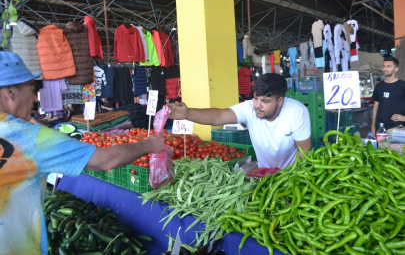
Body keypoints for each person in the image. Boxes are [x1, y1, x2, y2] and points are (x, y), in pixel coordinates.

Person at [0, 52, 165, 255]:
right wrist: (148, 145)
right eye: (32, 89)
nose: (35, 98)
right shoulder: (30, 139)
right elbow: (106, 160)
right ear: (10, 92)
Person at [168, 73, 311, 169]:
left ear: (280, 101)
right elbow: (219, 116)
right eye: (256, 98)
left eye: (265, 101)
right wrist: (188, 113)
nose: (257, 105)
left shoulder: (296, 111)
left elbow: (304, 152)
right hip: (265, 173)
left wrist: (286, 176)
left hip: (292, 173)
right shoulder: (249, 108)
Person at [372, 56, 405, 136]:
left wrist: (403, 118)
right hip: (380, 127)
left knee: (396, 148)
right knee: (379, 148)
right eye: (384, 66)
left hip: (397, 127)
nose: (385, 69)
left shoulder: (403, 86)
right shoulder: (379, 86)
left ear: (396, 69)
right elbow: (375, 107)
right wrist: (373, 126)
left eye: (389, 66)